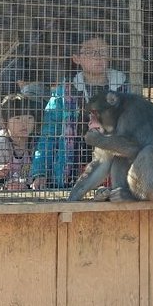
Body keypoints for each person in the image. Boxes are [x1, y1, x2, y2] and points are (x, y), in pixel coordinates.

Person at [32, 35, 129, 190]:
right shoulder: (64, 93)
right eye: (90, 52)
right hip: (72, 174)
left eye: (102, 51)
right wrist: (40, 173)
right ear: (77, 58)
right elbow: (49, 135)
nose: (98, 57)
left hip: (116, 174)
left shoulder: (124, 89)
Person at [0, 94, 45, 191]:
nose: (24, 124)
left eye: (29, 118)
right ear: (5, 122)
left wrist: (29, 185)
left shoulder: (40, 144)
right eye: (17, 118)